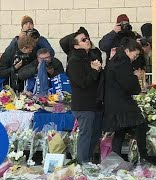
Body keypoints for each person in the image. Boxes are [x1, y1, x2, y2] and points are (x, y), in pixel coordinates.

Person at [102, 37, 150, 162]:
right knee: (140, 124)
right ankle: (143, 156)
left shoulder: (114, 60)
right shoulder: (123, 62)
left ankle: (116, 159)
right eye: (136, 54)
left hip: (112, 102)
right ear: (128, 50)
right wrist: (135, 77)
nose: (136, 57)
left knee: (120, 130)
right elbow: (130, 86)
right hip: (122, 103)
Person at [66, 28, 103, 163]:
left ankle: (88, 160)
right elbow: (82, 82)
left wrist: (98, 69)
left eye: (87, 38)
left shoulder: (89, 57)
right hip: (83, 105)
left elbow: (95, 80)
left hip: (94, 103)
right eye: (83, 39)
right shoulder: (75, 60)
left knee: (95, 134)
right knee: (86, 134)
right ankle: (83, 163)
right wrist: (94, 71)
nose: (87, 40)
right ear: (76, 45)